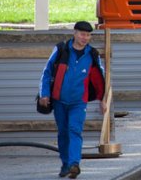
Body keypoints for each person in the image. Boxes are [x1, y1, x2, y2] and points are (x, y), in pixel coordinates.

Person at [38, 21, 106, 179]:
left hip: (78, 102)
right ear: (74, 33)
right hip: (59, 100)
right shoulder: (61, 49)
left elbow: (100, 80)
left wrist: (102, 100)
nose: (85, 38)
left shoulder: (92, 55)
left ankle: (75, 163)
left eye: (88, 35)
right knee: (63, 133)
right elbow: (47, 72)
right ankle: (65, 164)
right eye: (82, 34)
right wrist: (44, 94)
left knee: (75, 130)